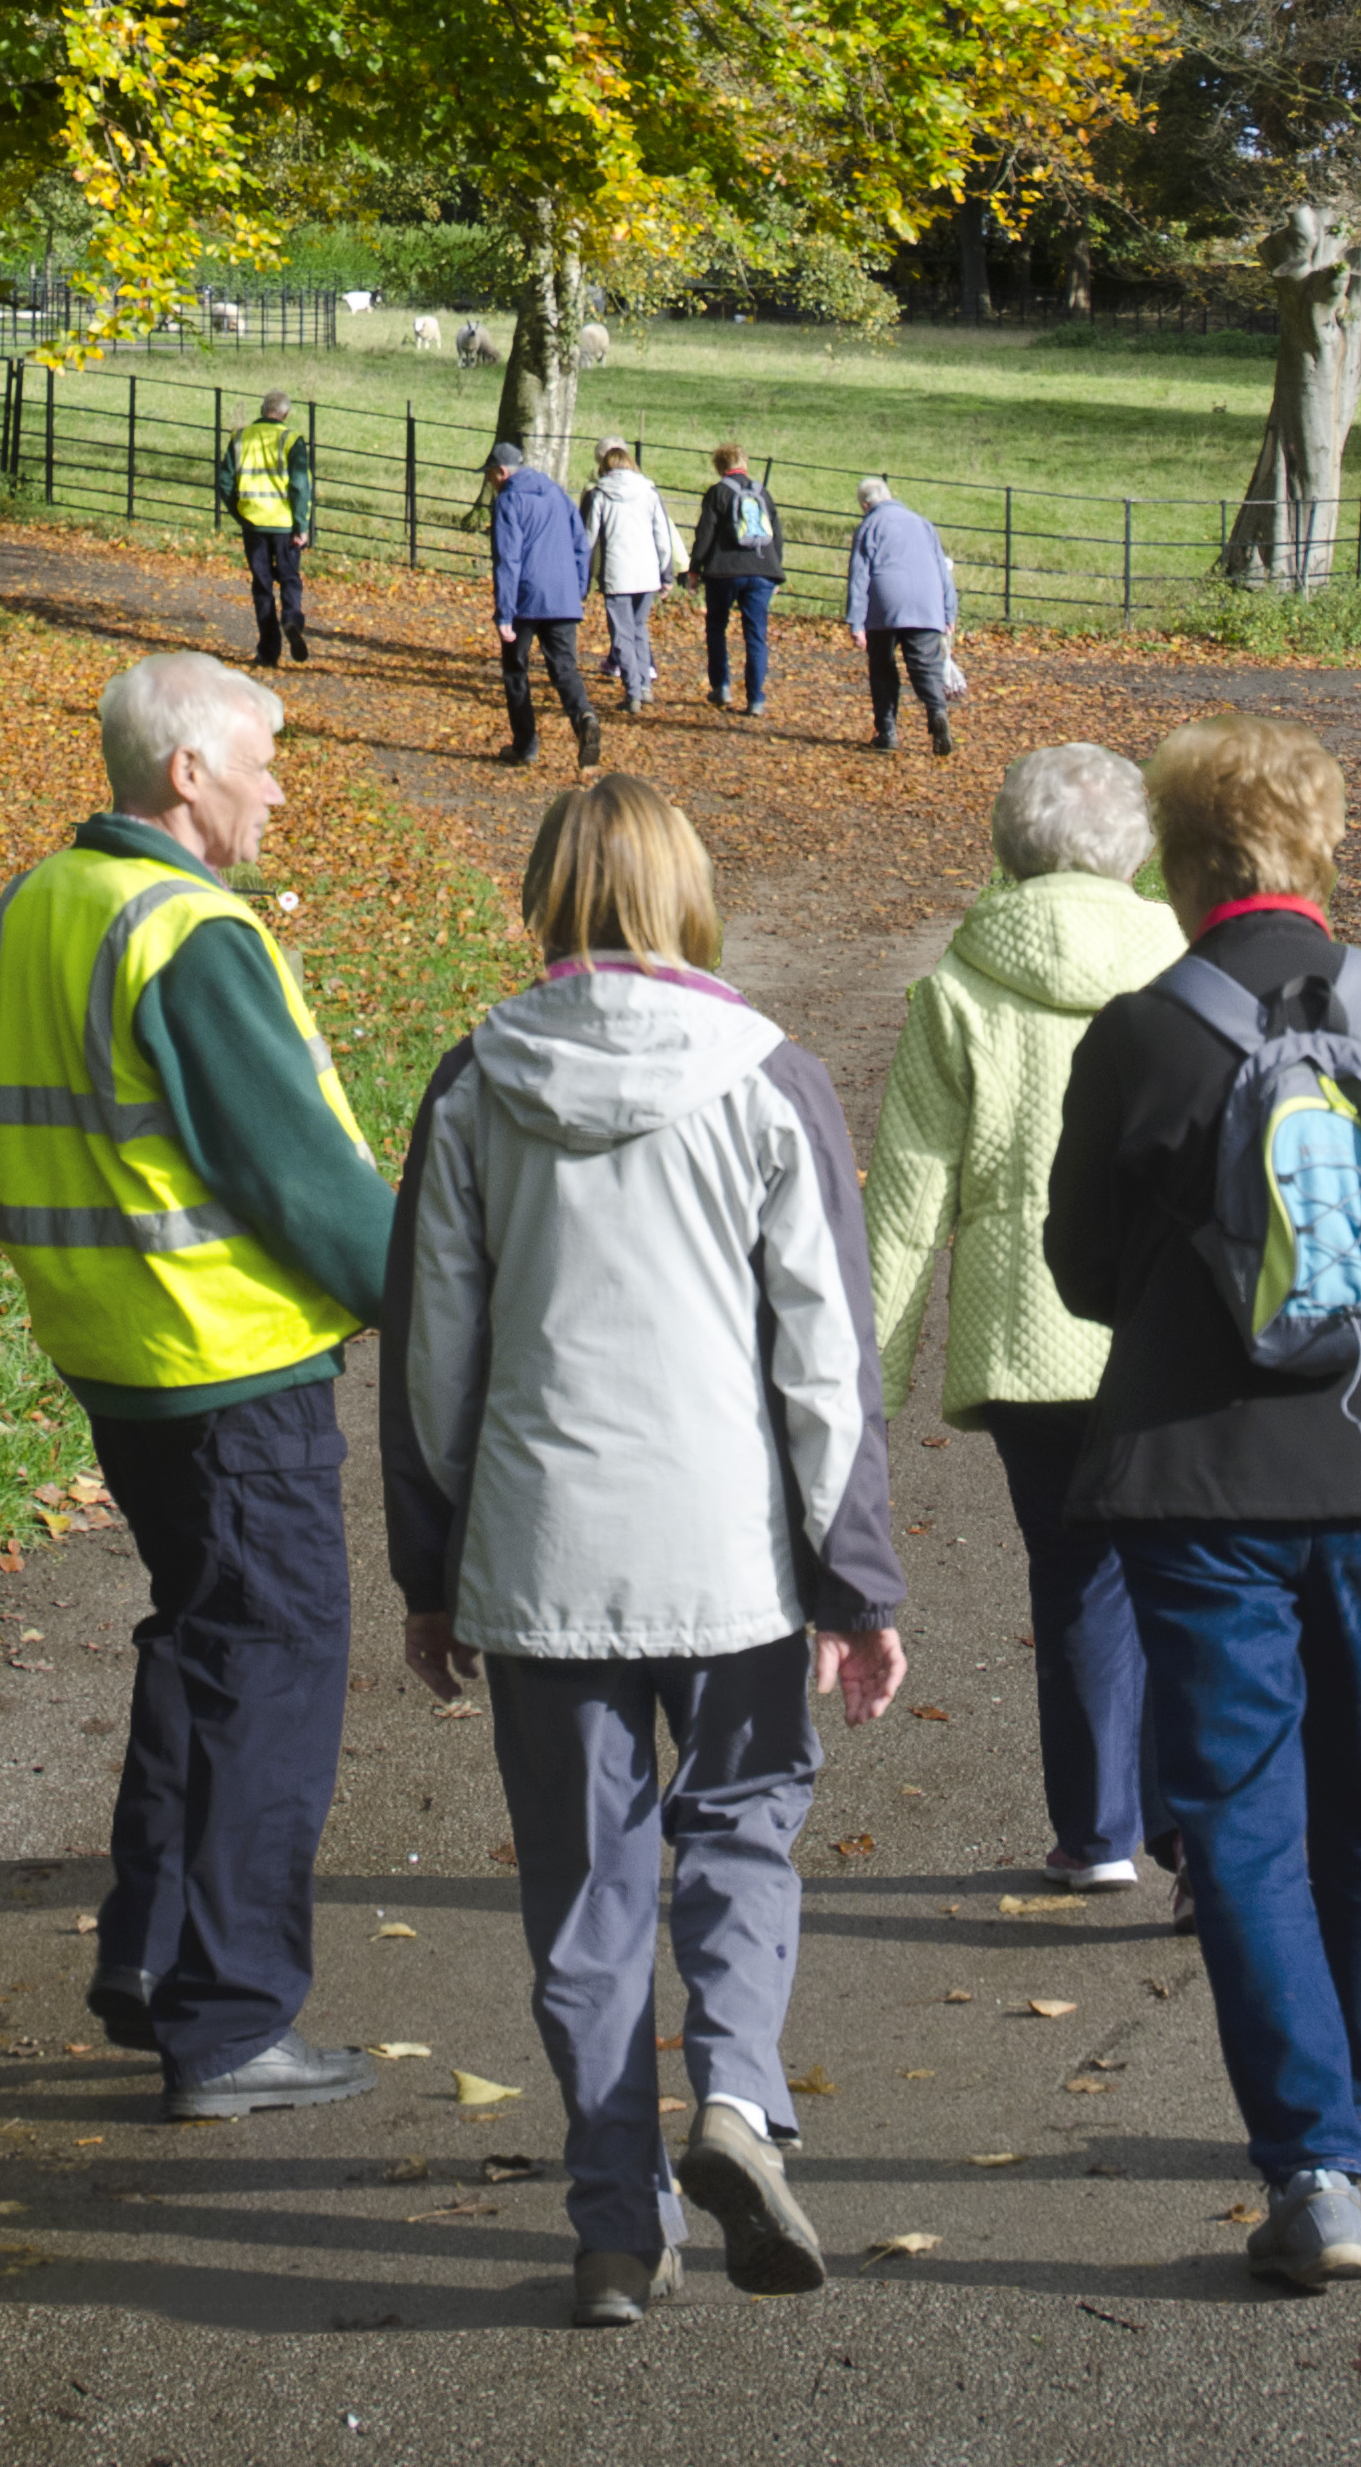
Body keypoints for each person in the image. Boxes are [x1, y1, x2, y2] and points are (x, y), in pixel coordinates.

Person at [382, 773, 906, 2329]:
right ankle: (737, 2099)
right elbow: (826, 1356)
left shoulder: (473, 1086)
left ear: (546, 895)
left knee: (583, 1891)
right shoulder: (770, 1080)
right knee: (741, 1828)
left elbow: (432, 1358)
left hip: (545, 1558)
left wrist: (431, 1571)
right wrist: (854, 1574)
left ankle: (617, 2226)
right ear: (687, 892)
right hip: (727, 1551)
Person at [1045, 711, 1361, 2296]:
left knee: (1243, 1815)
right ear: (1320, 852)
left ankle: (1311, 2163)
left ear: (1184, 870)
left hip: (1203, 1476)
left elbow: (1083, 1273)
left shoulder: (1140, 1035)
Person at [0, 651, 398, 2118]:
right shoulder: (190, 934)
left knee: (201, 1649)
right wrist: (447, 1308)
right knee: (270, 1671)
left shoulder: (36, 907)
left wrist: (88, 1263)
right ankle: (233, 2016)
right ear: (186, 774)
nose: (279, 786)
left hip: (119, 1359)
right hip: (230, 1364)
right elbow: (303, 1179)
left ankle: (151, 1960)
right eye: (262, 758)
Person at [865, 743, 1182, 1898]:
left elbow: (906, 1198)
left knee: (1074, 1566)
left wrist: (871, 1375)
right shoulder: (1186, 965)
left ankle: (1097, 1828)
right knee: (1189, 1568)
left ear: (1008, 843)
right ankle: (1200, 1833)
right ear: (1134, 847)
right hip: (1166, 1319)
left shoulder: (959, 984)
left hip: (1030, 1323)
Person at [487, 438, 599, 768]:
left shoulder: (508, 500)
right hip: (562, 597)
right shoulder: (556, 493)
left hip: (524, 599)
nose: (489, 482)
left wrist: (505, 612)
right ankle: (584, 717)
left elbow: (508, 558)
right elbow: (582, 544)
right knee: (564, 666)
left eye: (490, 476)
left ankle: (526, 744)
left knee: (516, 670)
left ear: (501, 472)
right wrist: (577, 588)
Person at [845, 472, 958, 755]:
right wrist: (949, 610)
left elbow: (859, 576)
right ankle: (936, 710)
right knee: (925, 664)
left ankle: (887, 730)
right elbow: (941, 569)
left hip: (886, 602)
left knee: (882, 665)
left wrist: (856, 621)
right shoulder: (922, 523)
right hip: (927, 601)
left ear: (864, 505)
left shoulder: (870, 525)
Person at [216, 386, 315, 670]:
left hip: (254, 524)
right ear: (285, 413)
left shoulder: (239, 438)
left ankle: (268, 652)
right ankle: (291, 620)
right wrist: (302, 526)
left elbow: (224, 484)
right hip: (284, 525)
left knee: (262, 586)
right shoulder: (291, 439)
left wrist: (241, 514)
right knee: (289, 579)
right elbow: (299, 485)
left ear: (262, 410)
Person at [582, 437, 684, 711]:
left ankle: (633, 691)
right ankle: (644, 685)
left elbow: (588, 539)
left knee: (621, 634)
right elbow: (663, 536)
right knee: (639, 629)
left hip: (617, 572)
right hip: (647, 572)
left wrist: (582, 575)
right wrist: (666, 573)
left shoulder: (600, 494)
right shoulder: (649, 492)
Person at [683, 443, 784, 718]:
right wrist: (775, 573)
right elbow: (776, 534)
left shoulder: (718, 492)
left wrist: (694, 571)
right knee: (756, 635)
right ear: (744, 462)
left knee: (716, 627)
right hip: (763, 569)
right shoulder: (763, 492)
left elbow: (704, 535)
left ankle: (722, 686)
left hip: (723, 571)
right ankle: (756, 699)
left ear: (720, 466)